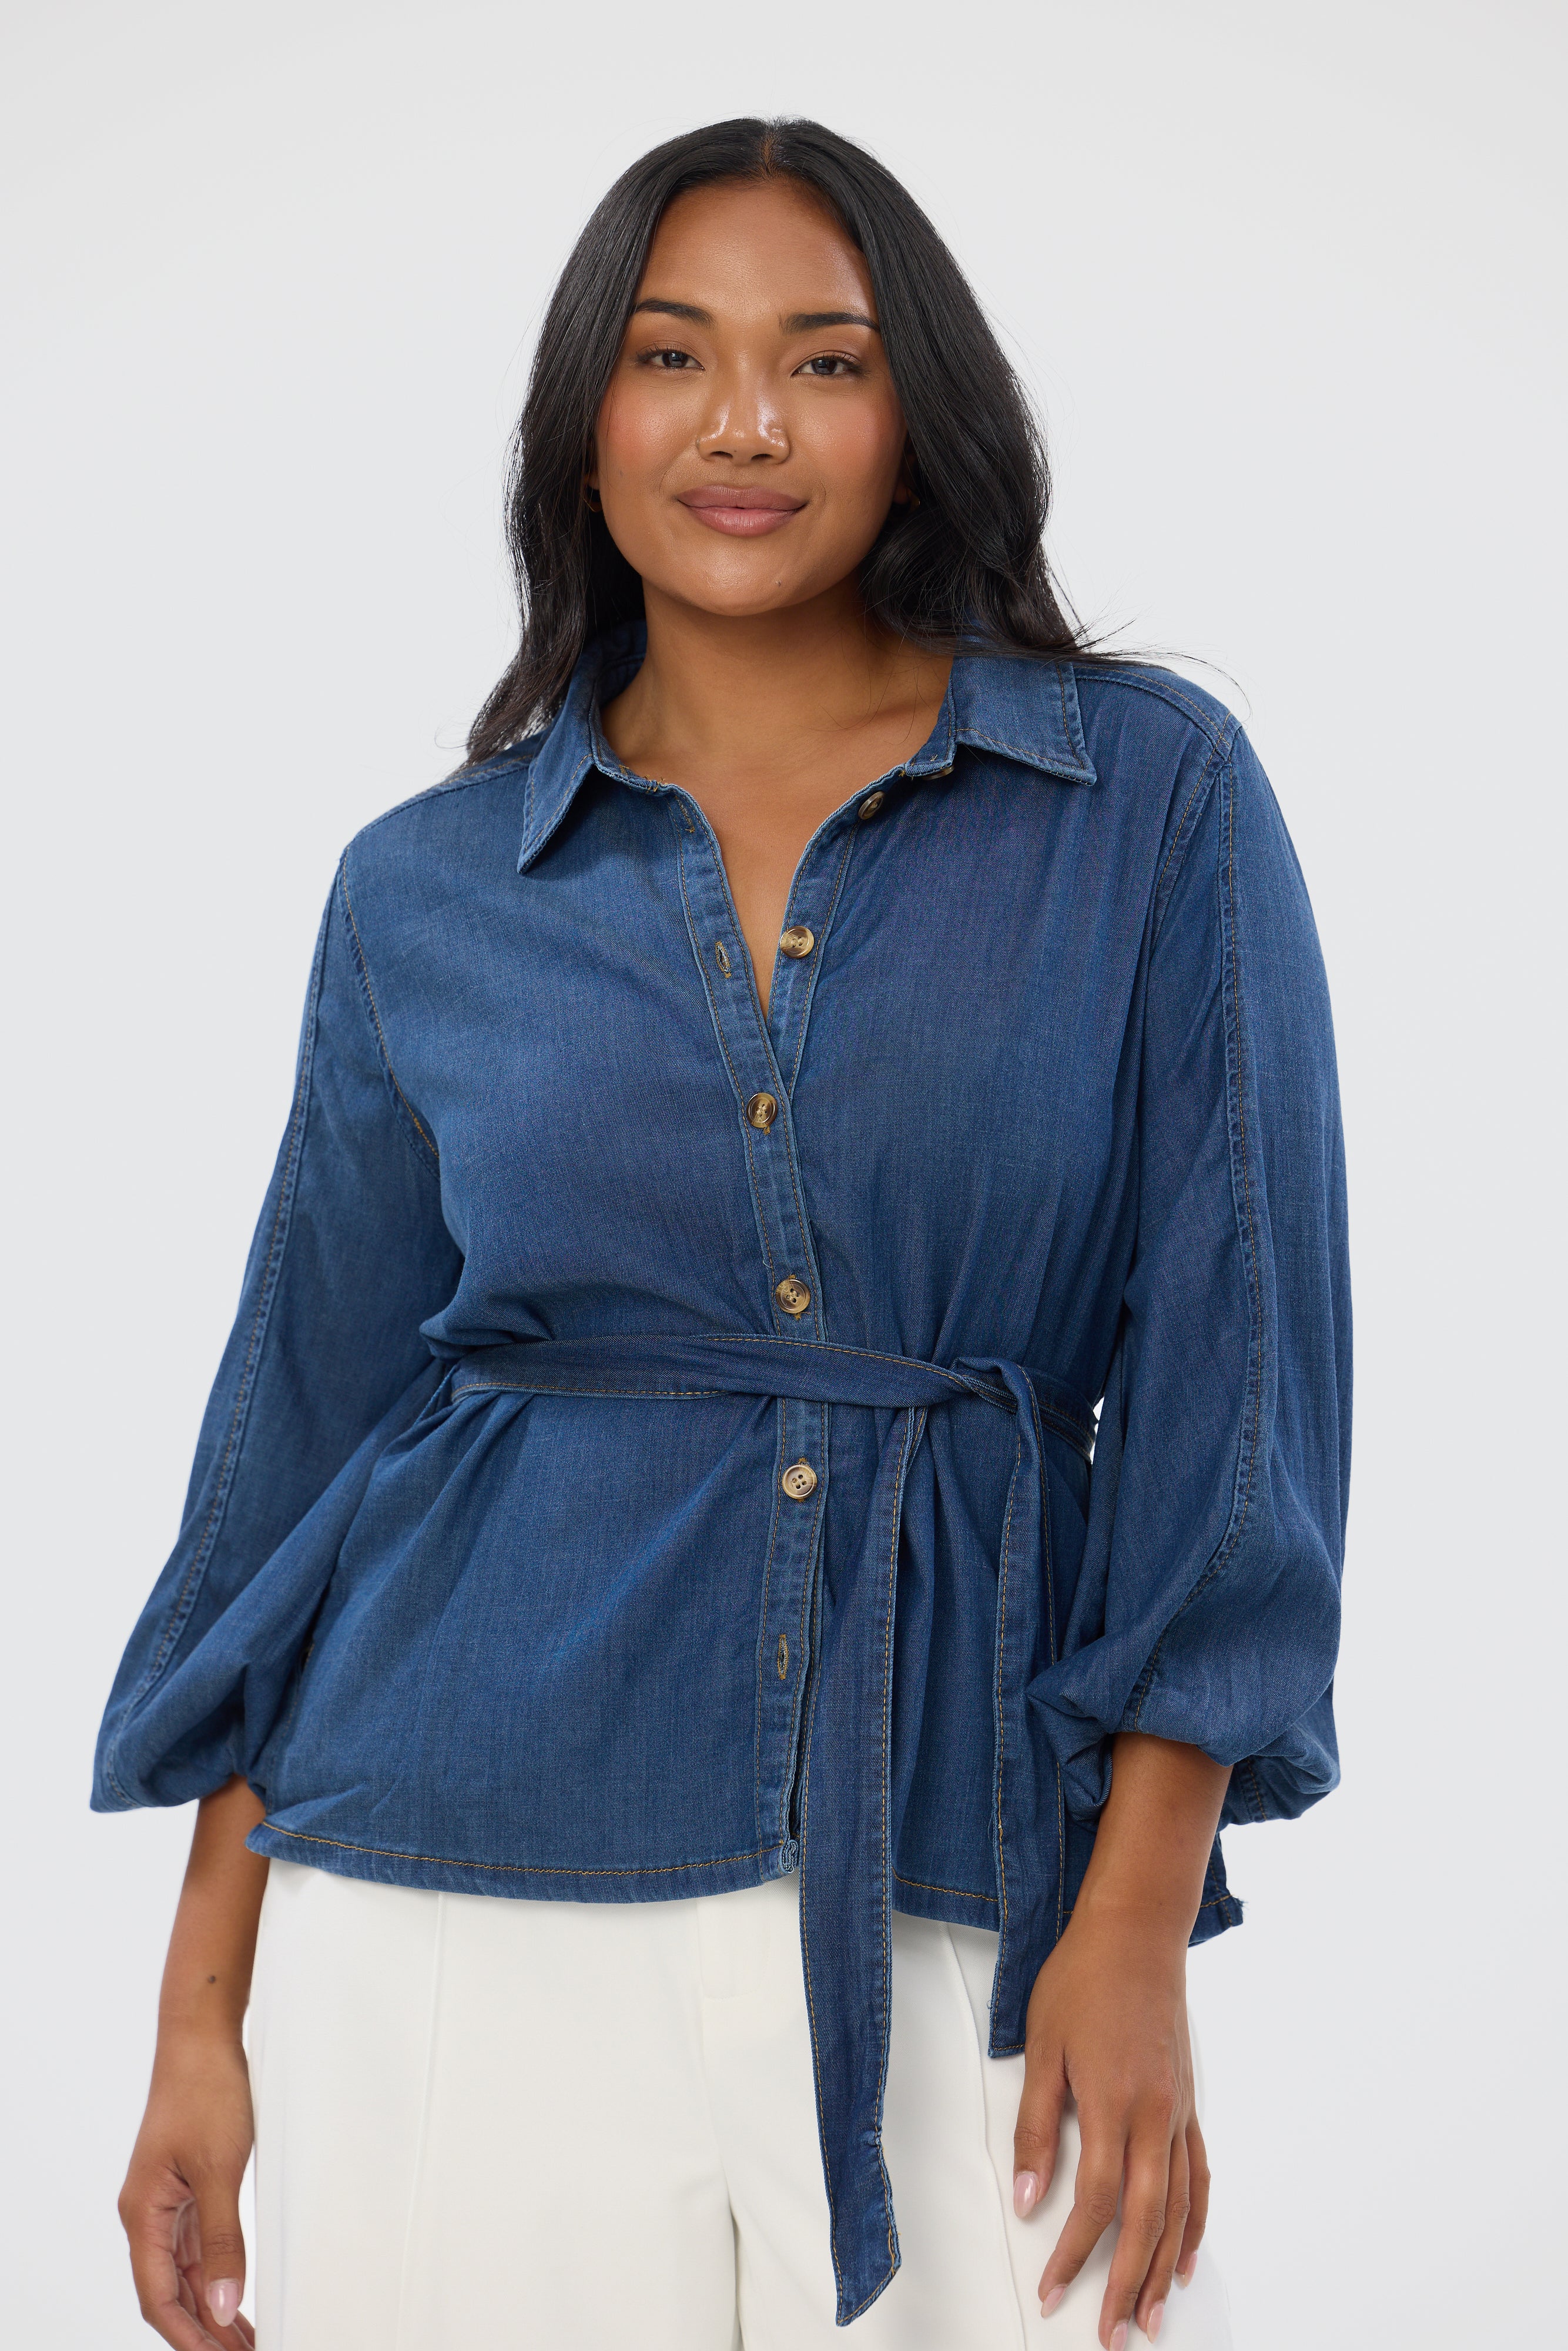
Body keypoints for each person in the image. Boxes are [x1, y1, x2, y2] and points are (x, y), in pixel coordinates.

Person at [98, 116, 1350, 2351]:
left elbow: (1241, 1377)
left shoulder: (1143, 802)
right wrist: (203, 2017)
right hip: (454, 1875)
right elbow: (306, 1446)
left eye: (824, 362)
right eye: (671, 355)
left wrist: (1136, 1919)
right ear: (584, 425)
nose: (744, 423)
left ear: (916, 418)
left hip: (960, 1866)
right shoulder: (424, 888)